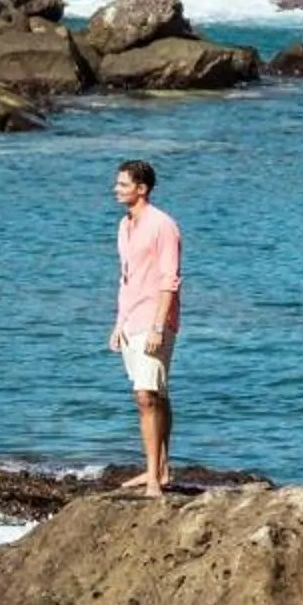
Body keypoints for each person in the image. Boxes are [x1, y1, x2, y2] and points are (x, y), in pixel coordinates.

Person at [110, 158, 181, 496]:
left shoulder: (162, 225)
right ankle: (161, 469)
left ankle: (154, 478)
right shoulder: (124, 226)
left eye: (123, 184)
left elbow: (170, 280)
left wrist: (157, 327)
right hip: (131, 320)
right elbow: (126, 278)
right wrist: (118, 323)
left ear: (142, 189)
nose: (116, 189)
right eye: (118, 184)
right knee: (156, 395)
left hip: (155, 321)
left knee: (145, 396)